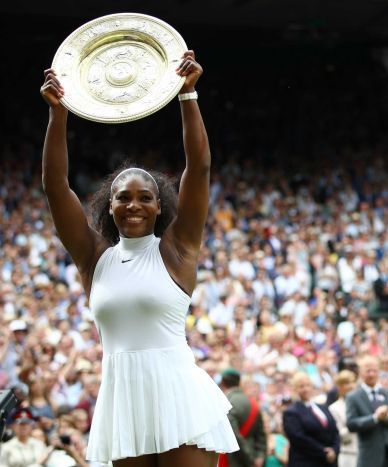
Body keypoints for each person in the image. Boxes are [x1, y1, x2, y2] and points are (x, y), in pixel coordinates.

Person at [39, 51, 238, 467]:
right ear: (107, 207)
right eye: (123, 197)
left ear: (160, 206)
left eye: (145, 197)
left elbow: (198, 169)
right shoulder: (93, 258)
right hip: (122, 400)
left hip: (178, 395)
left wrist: (188, 96)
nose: (134, 205)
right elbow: (55, 185)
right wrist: (58, 115)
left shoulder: (177, 248)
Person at [346, 355, 388, 467]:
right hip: (369, 457)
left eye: (374, 371)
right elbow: (351, 424)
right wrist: (375, 418)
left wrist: (386, 416)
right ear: (361, 373)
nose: (371, 374)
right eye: (368, 371)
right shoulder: (353, 396)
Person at [282, 372, 340, 467]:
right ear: (295, 389)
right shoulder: (291, 412)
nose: (306, 389)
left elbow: (335, 431)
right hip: (306, 461)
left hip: (328, 462)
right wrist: (323, 451)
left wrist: (335, 449)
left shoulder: (323, 408)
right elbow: (299, 438)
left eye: (308, 385)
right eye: (301, 386)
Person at [220, 369, 267, 467]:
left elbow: (233, 435)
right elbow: (261, 435)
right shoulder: (252, 403)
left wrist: (249, 458)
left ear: (223, 383)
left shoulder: (224, 402)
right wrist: (259, 456)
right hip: (251, 457)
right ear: (239, 382)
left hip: (231, 459)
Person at [328, 370, 359, 467]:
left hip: (366, 452)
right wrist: (358, 423)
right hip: (348, 454)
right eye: (346, 383)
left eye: (353, 382)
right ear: (339, 387)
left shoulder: (362, 403)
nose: (351, 386)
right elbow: (339, 434)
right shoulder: (334, 408)